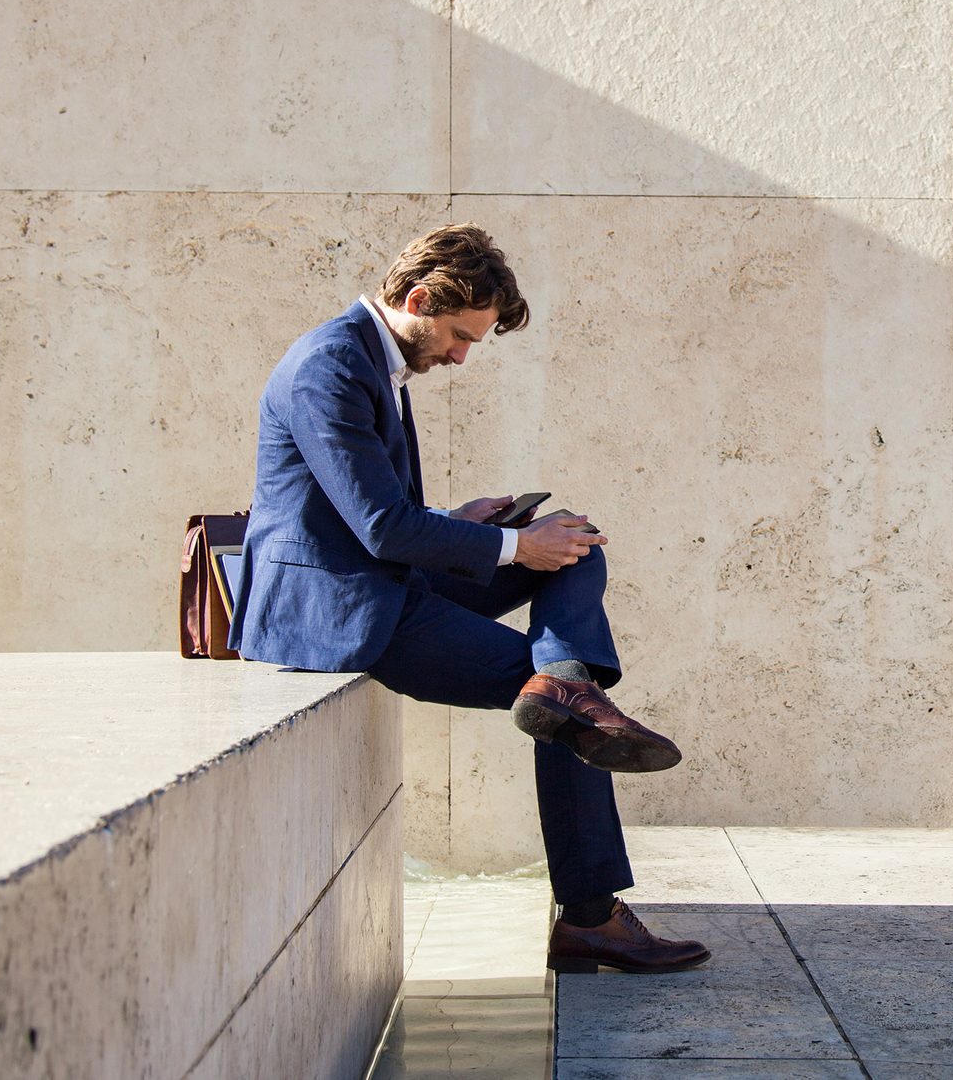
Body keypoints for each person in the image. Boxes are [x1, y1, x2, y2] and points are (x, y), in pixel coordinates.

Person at [229, 224, 710, 974]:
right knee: (567, 703)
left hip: (387, 576)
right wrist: (515, 546)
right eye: (458, 336)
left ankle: (566, 682)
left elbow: (373, 513)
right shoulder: (329, 367)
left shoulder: (372, 359)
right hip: (344, 609)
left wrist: (462, 521)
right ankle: (590, 916)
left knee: (572, 547)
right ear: (417, 300)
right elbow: (382, 527)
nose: (460, 355)